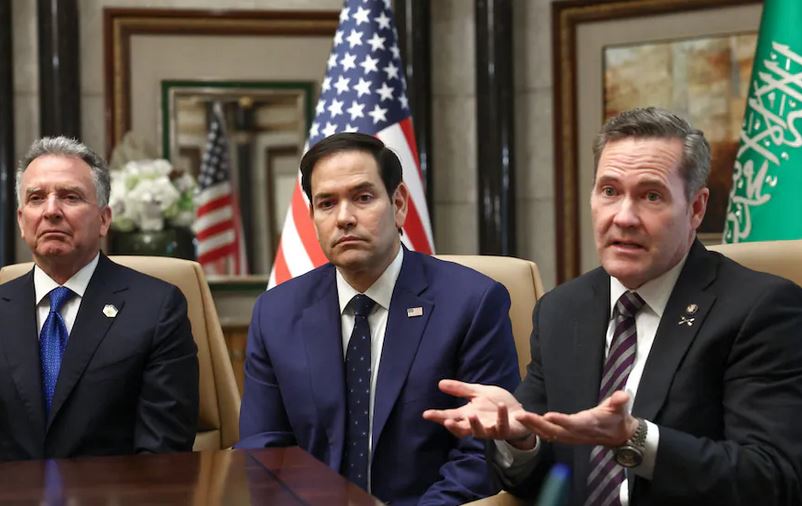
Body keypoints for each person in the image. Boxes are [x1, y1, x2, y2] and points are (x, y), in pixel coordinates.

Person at [424, 107, 802, 505]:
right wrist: (521, 439)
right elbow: (543, 480)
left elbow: (773, 479)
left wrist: (636, 439)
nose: (624, 217)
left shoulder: (758, 309)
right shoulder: (561, 310)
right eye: (609, 191)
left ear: (696, 208)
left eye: (651, 196)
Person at [237, 132, 520, 505]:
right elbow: (263, 450)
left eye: (363, 198)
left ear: (398, 204)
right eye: (326, 203)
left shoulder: (472, 303)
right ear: (313, 218)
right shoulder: (275, 314)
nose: (344, 218)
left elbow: (479, 455)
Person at [0, 137, 198, 461]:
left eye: (70, 197)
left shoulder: (157, 309)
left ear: (104, 219)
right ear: (22, 221)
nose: (51, 211)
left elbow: (161, 455)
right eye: (37, 198)